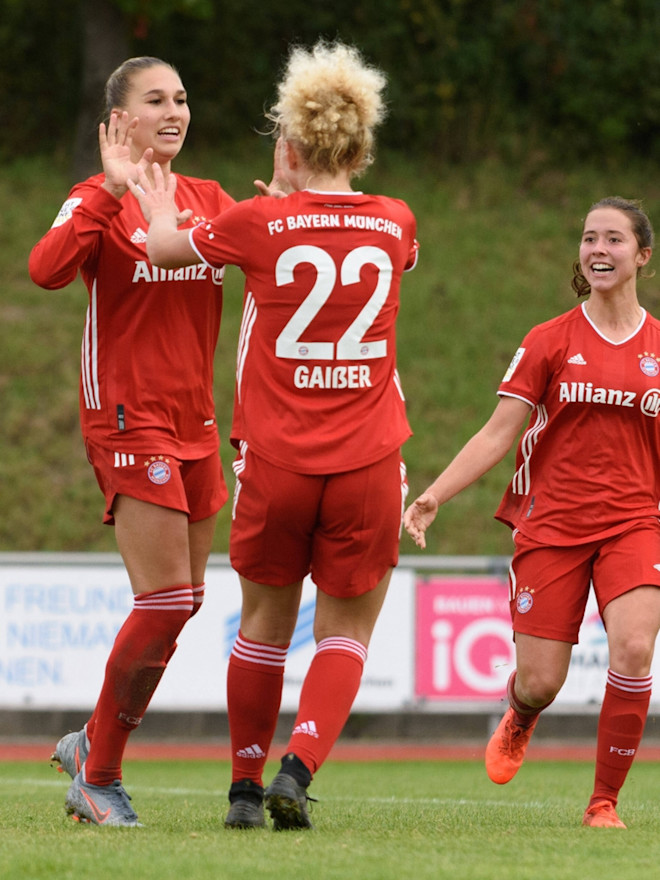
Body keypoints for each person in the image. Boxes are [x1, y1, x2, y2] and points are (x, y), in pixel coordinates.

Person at [129, 39, 419, 830]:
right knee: (345, 631)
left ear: (288, 143)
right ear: (360, 144)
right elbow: (381, 254)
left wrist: (160, 208)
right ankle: (300, 766)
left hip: (278, 460)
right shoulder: (395, 222)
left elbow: (164, 249)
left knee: (262, 626)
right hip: (367, 461)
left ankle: (243, 790)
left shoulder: (257, 223)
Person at [404, 196, 660, 829]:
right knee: (541, 681)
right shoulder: (550, 340)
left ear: (642, 256)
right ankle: (521, 715)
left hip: (637, 521)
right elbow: (498, 433)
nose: (598, 249)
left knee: (634, 648)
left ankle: (603, 803)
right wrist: (436, 494)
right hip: (552, 524)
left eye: (614, 239)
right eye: (589, 238)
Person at [28, 56, 236, 826]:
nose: (174, 111)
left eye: (181, 97)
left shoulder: (209, 199)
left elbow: (272, 251)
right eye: (156, 99)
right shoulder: (97, 198)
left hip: (196, 421)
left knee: (186, 604)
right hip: (126, 417)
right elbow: (46, 269)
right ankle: (99, 775)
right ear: (120, 119)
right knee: (166, 598)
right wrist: (110, 190)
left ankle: (92, 741)